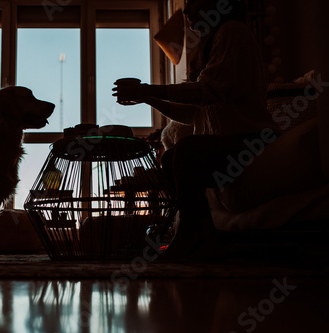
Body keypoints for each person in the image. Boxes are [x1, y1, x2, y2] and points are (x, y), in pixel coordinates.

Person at [113, 0, 280, 258]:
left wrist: (147, 89)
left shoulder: (233, 32)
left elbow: (208, 92)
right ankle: (205, 238)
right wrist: (148, 98)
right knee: (170, 157)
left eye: (192, 2)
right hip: (231, 145)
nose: (186, 11)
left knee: (187, 150)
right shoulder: (212, 42)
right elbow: (194, 113)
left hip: (251, 141)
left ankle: (190, 237)